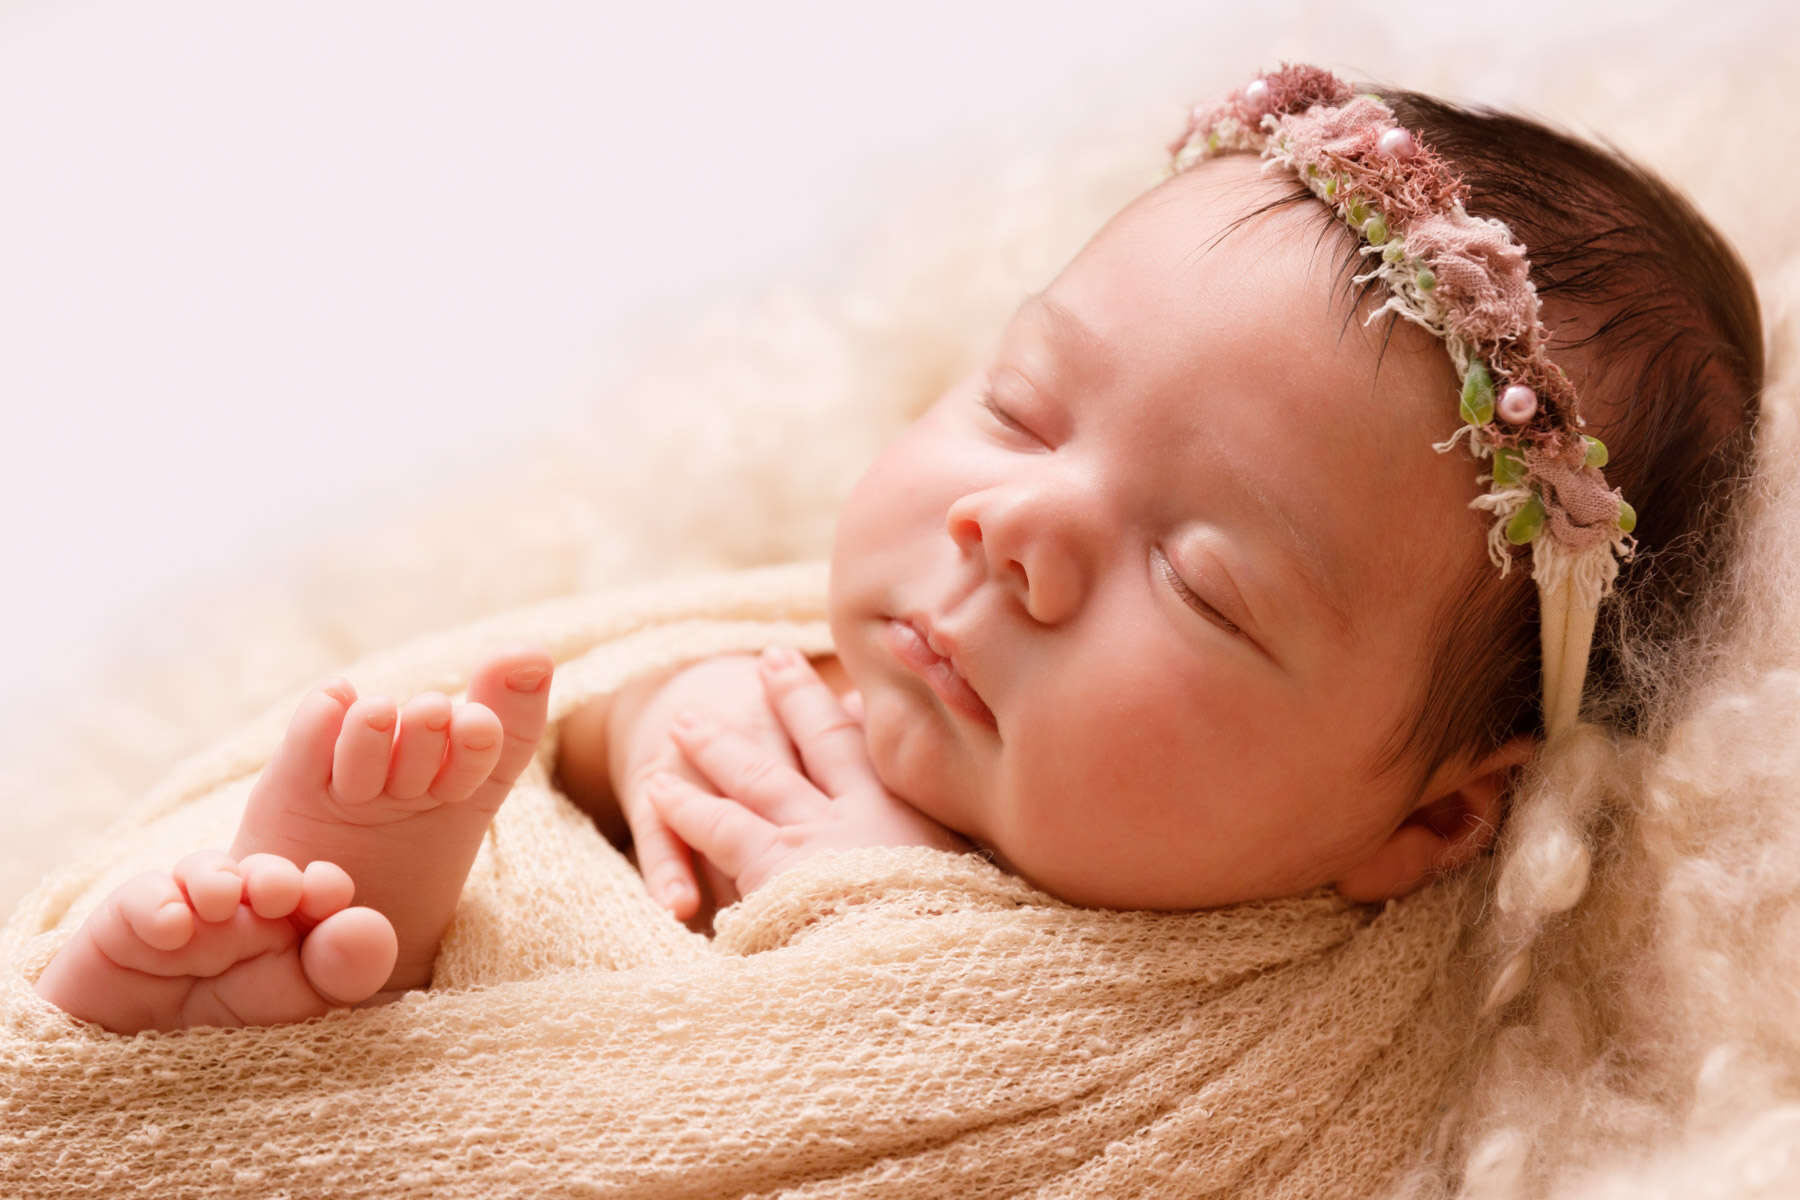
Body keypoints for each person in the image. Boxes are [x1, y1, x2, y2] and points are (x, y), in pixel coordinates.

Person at [33, 65, 1762, 1035]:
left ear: (1434, 815)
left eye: (1206, 580)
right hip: (433, 1016)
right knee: (444, 834)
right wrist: (623, 735)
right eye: (1019, 408)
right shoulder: (788, 670)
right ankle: (308, 964)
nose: (1014, 536)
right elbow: (607, 700)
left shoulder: (1267, 1021)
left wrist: (867, 927)